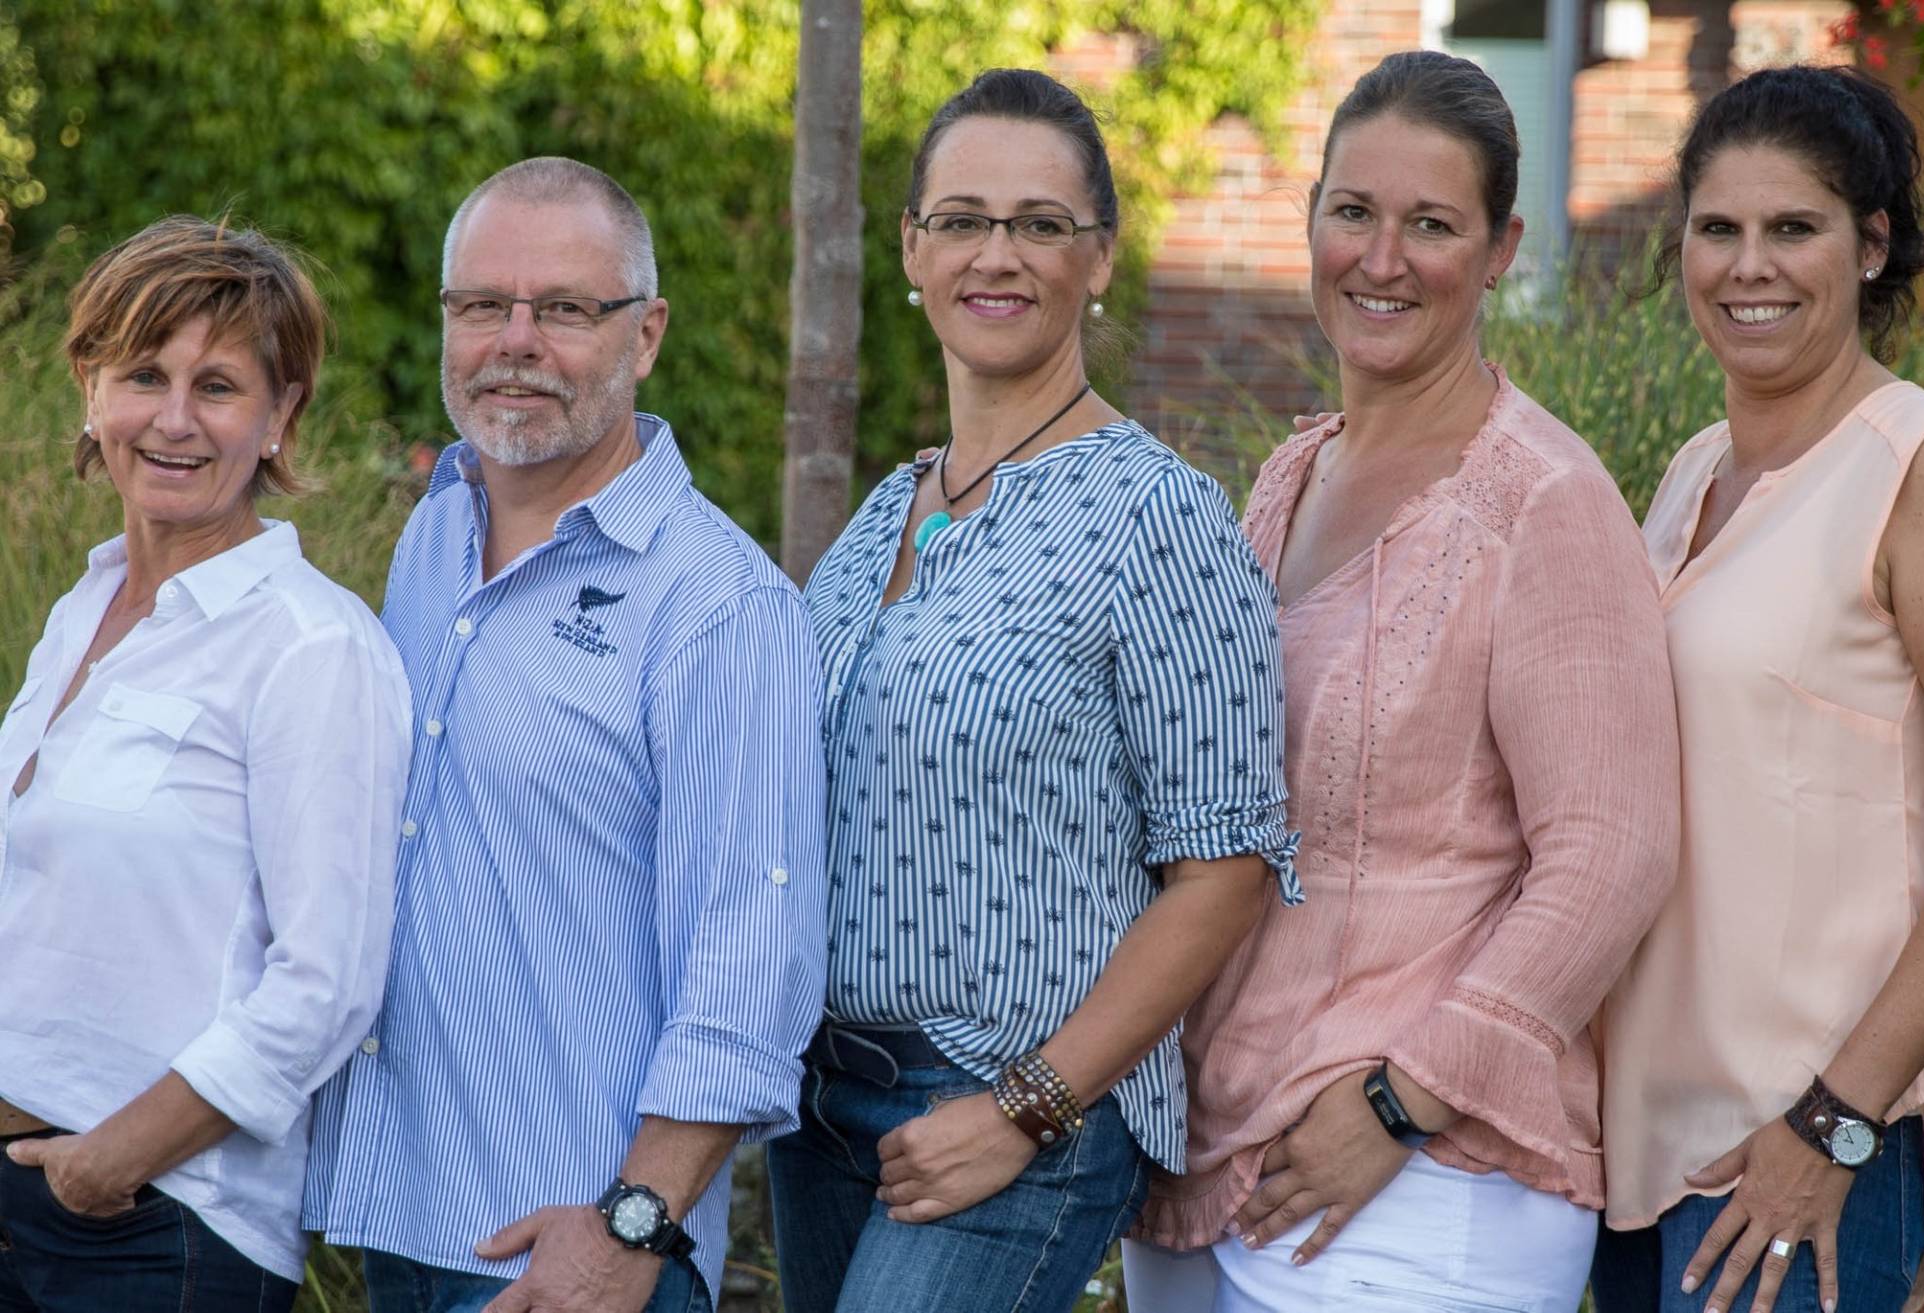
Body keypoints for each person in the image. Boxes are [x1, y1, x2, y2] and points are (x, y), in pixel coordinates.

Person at [1121, 51, 1680, 1313]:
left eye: (1432, 224)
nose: (1382, 259)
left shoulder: (1543, 500)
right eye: (1354, 212)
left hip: (1421, 1180)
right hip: (1217, 1161)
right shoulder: (1286, 478)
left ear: (1500, 250)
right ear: (1311, 216)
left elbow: (1614, 852)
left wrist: (1399, 1098)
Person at [768, 68, 1300, 1313]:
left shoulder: (1157, 513)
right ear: (910, 246)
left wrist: (1025, 1106)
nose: (994, 255)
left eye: (1039, 224)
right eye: (961, 219)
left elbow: (1225, 868)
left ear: (1099, 257)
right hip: (822, 1109)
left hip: (1012, 1108)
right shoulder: (879, 517)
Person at [301, 158, 828, 1313]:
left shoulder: (719, 606)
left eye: (566, 309)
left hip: (579, 1259)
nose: (516, 340)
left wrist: (630, 1225)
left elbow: (750, 965)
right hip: (398, 1215)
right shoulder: (435, 533)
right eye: (482, 305)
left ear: (646, 335)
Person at [1589, 66, 1924, 1313]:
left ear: (1871, 246)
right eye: (1719, 229)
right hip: (1637, 1152)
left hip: (1797, 1147)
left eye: (1793, 228)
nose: (1751, 266)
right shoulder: (1693, 474)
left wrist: (1835, 1122)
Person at [0, 216, 410, 1311]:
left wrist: (112, 1160)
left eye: (219, 386)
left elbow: (327, 982)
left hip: (152, 1230)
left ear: (281, 416)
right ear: (91, 389)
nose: (174, 420)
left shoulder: (313, 646)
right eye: (144, 374)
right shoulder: (82, 606)